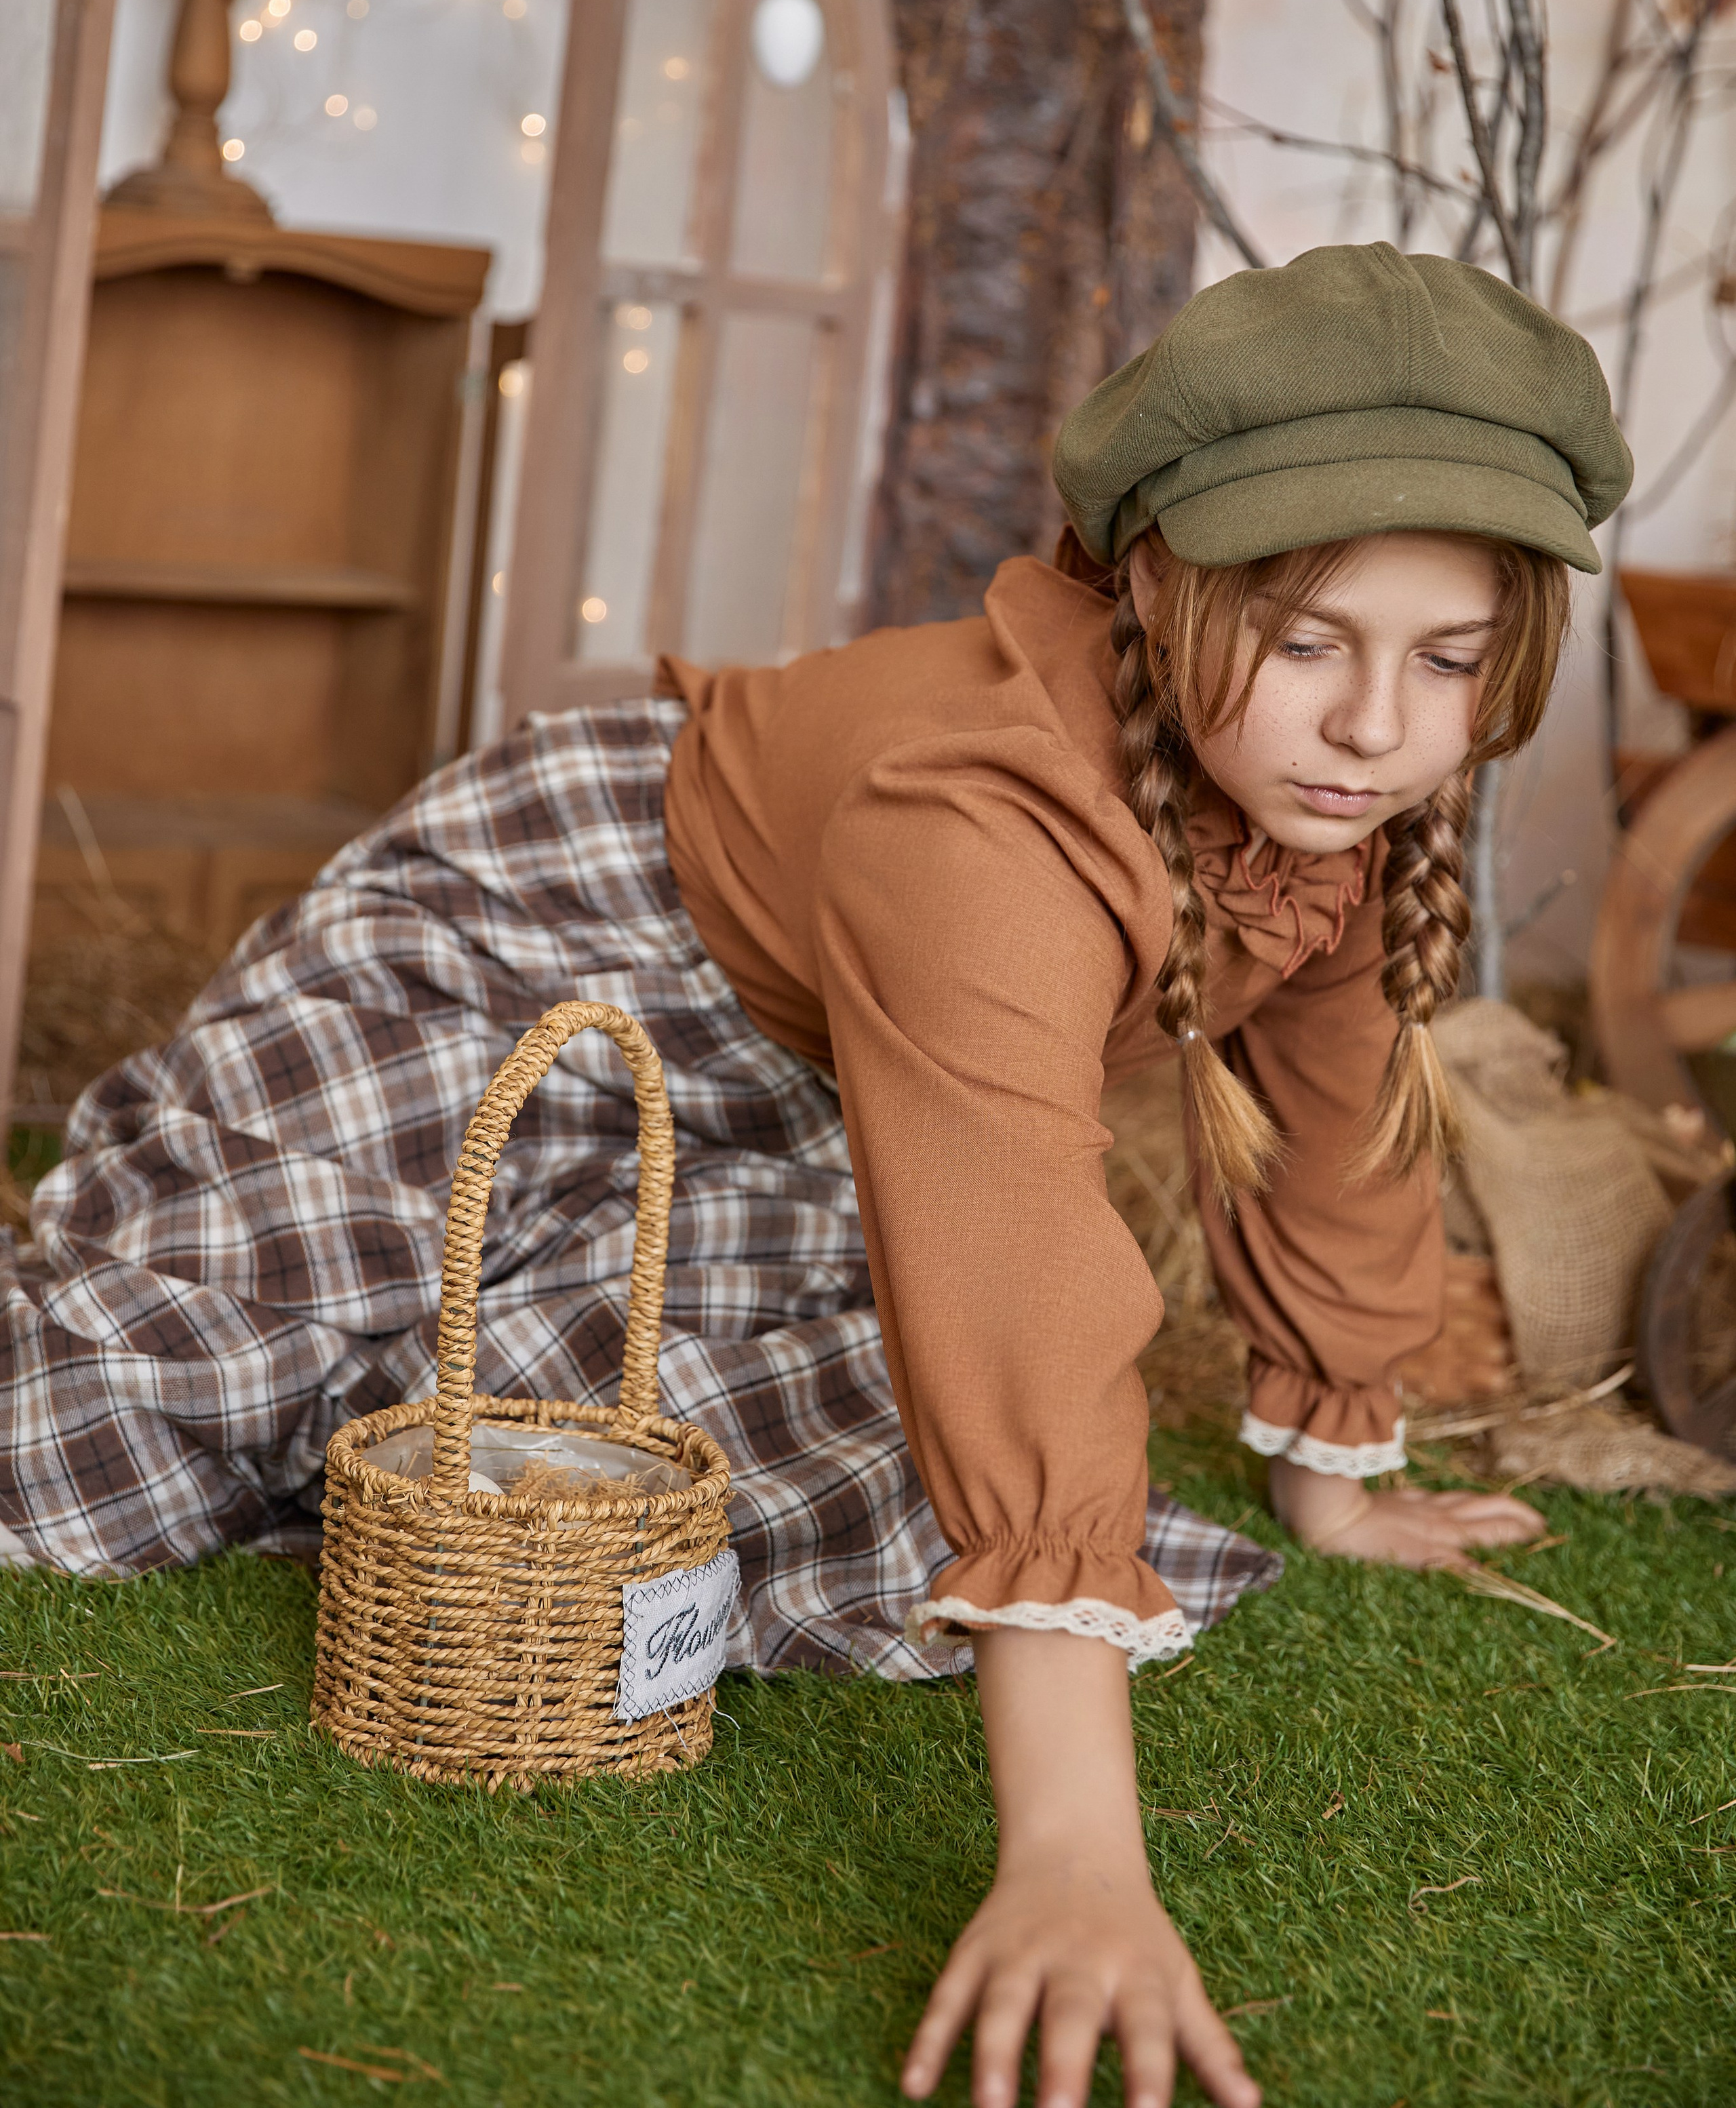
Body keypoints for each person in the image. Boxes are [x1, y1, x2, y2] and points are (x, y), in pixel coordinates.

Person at [0, 243, 1630, 2108]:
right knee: (107, 1438)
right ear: (1161, 586)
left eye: (1448, 660)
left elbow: (1338, 1129)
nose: (1376, 727)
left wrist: (1334, 1465)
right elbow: (1019, 1269)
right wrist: (1077, 1858)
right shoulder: (986, 818)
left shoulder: (1336, 813)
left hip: (804, 1086)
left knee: (746, 1466)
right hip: (549, 941)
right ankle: (247, 1299)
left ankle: (407, 1389)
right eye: (1311, 641)